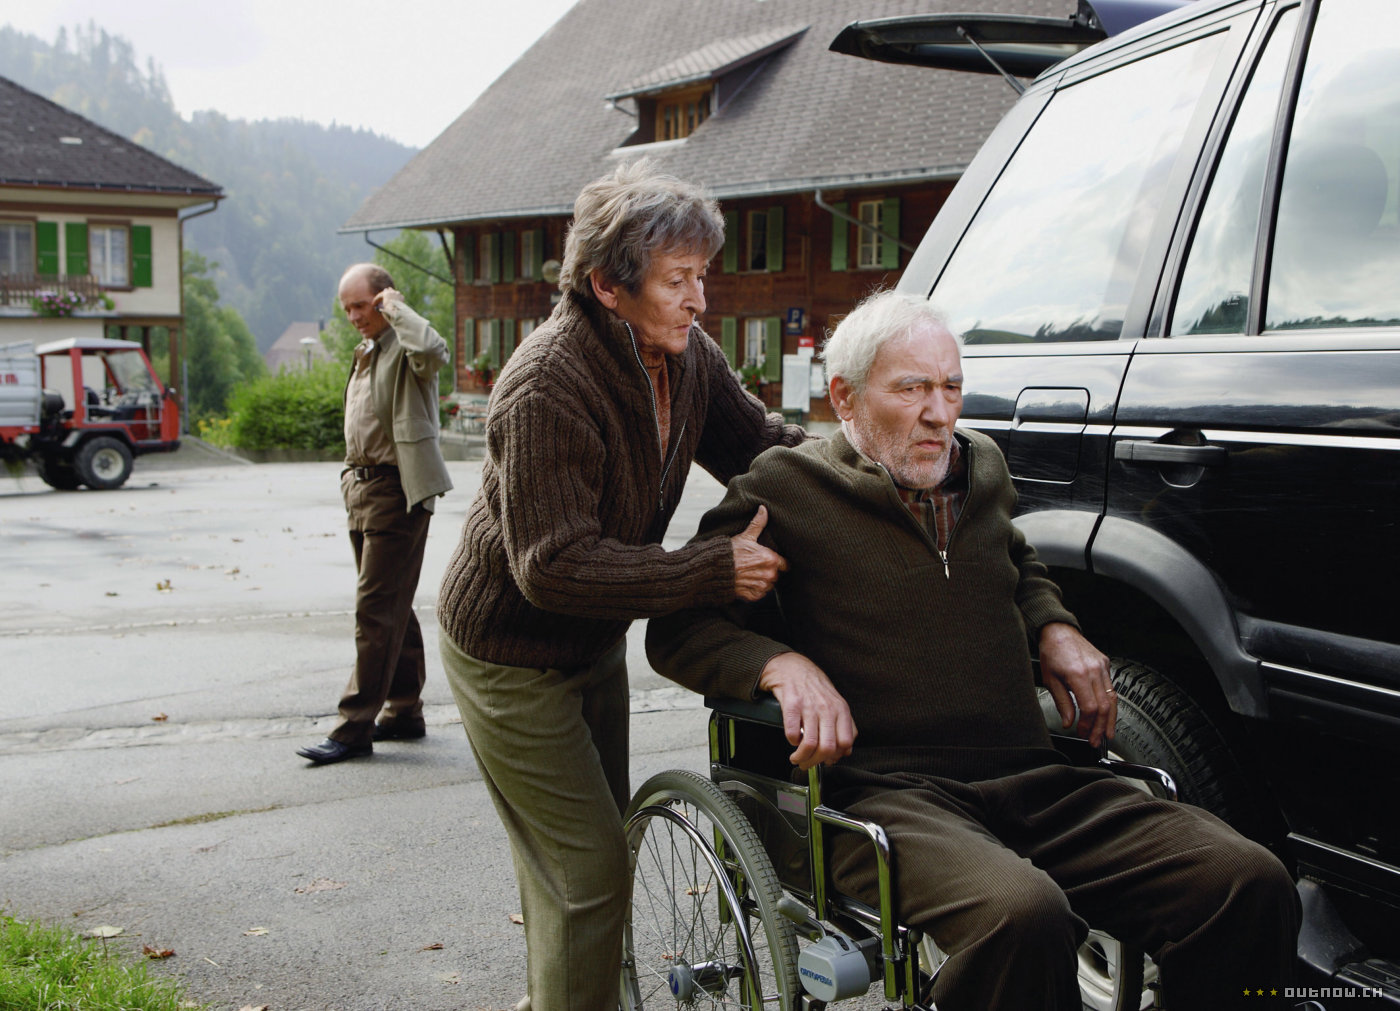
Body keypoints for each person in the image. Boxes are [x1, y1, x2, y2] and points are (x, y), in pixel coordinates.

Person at [646, 291, 1301, 1010]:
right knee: (1021, 915)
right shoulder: (786, 488)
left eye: (951, 386)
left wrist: (1055, 625)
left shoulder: (981, 466)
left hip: (1031, 773)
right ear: (846, 396)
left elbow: (1016, 564)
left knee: (1246, 880)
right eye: (913, 388)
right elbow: (678, 629)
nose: (940, 411)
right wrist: (779, 663)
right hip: (885, 793)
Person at [435, 161, 806, 1011]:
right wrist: (713, 568)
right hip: (509, 653)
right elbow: (554, 565)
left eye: (702, 276)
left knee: (579, 871)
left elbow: (762, 447)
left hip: (589, 642)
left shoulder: (686, 357)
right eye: (678, 280)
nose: (699, 299)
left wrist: (859, 466)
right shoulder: (546, 386)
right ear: (608, 284)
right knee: (589, 871)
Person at [297, 264, 452, 765]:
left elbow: (433, 349)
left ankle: (352, 726)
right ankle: (404, 711)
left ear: (384, 300)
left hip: (397, 489)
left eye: (361, 305)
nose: (353, 317)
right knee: (393, 606)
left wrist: (395, 308)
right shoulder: (367, 352)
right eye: (347, 309)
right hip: (362, 488)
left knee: (374, 610)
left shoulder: (408, 348)